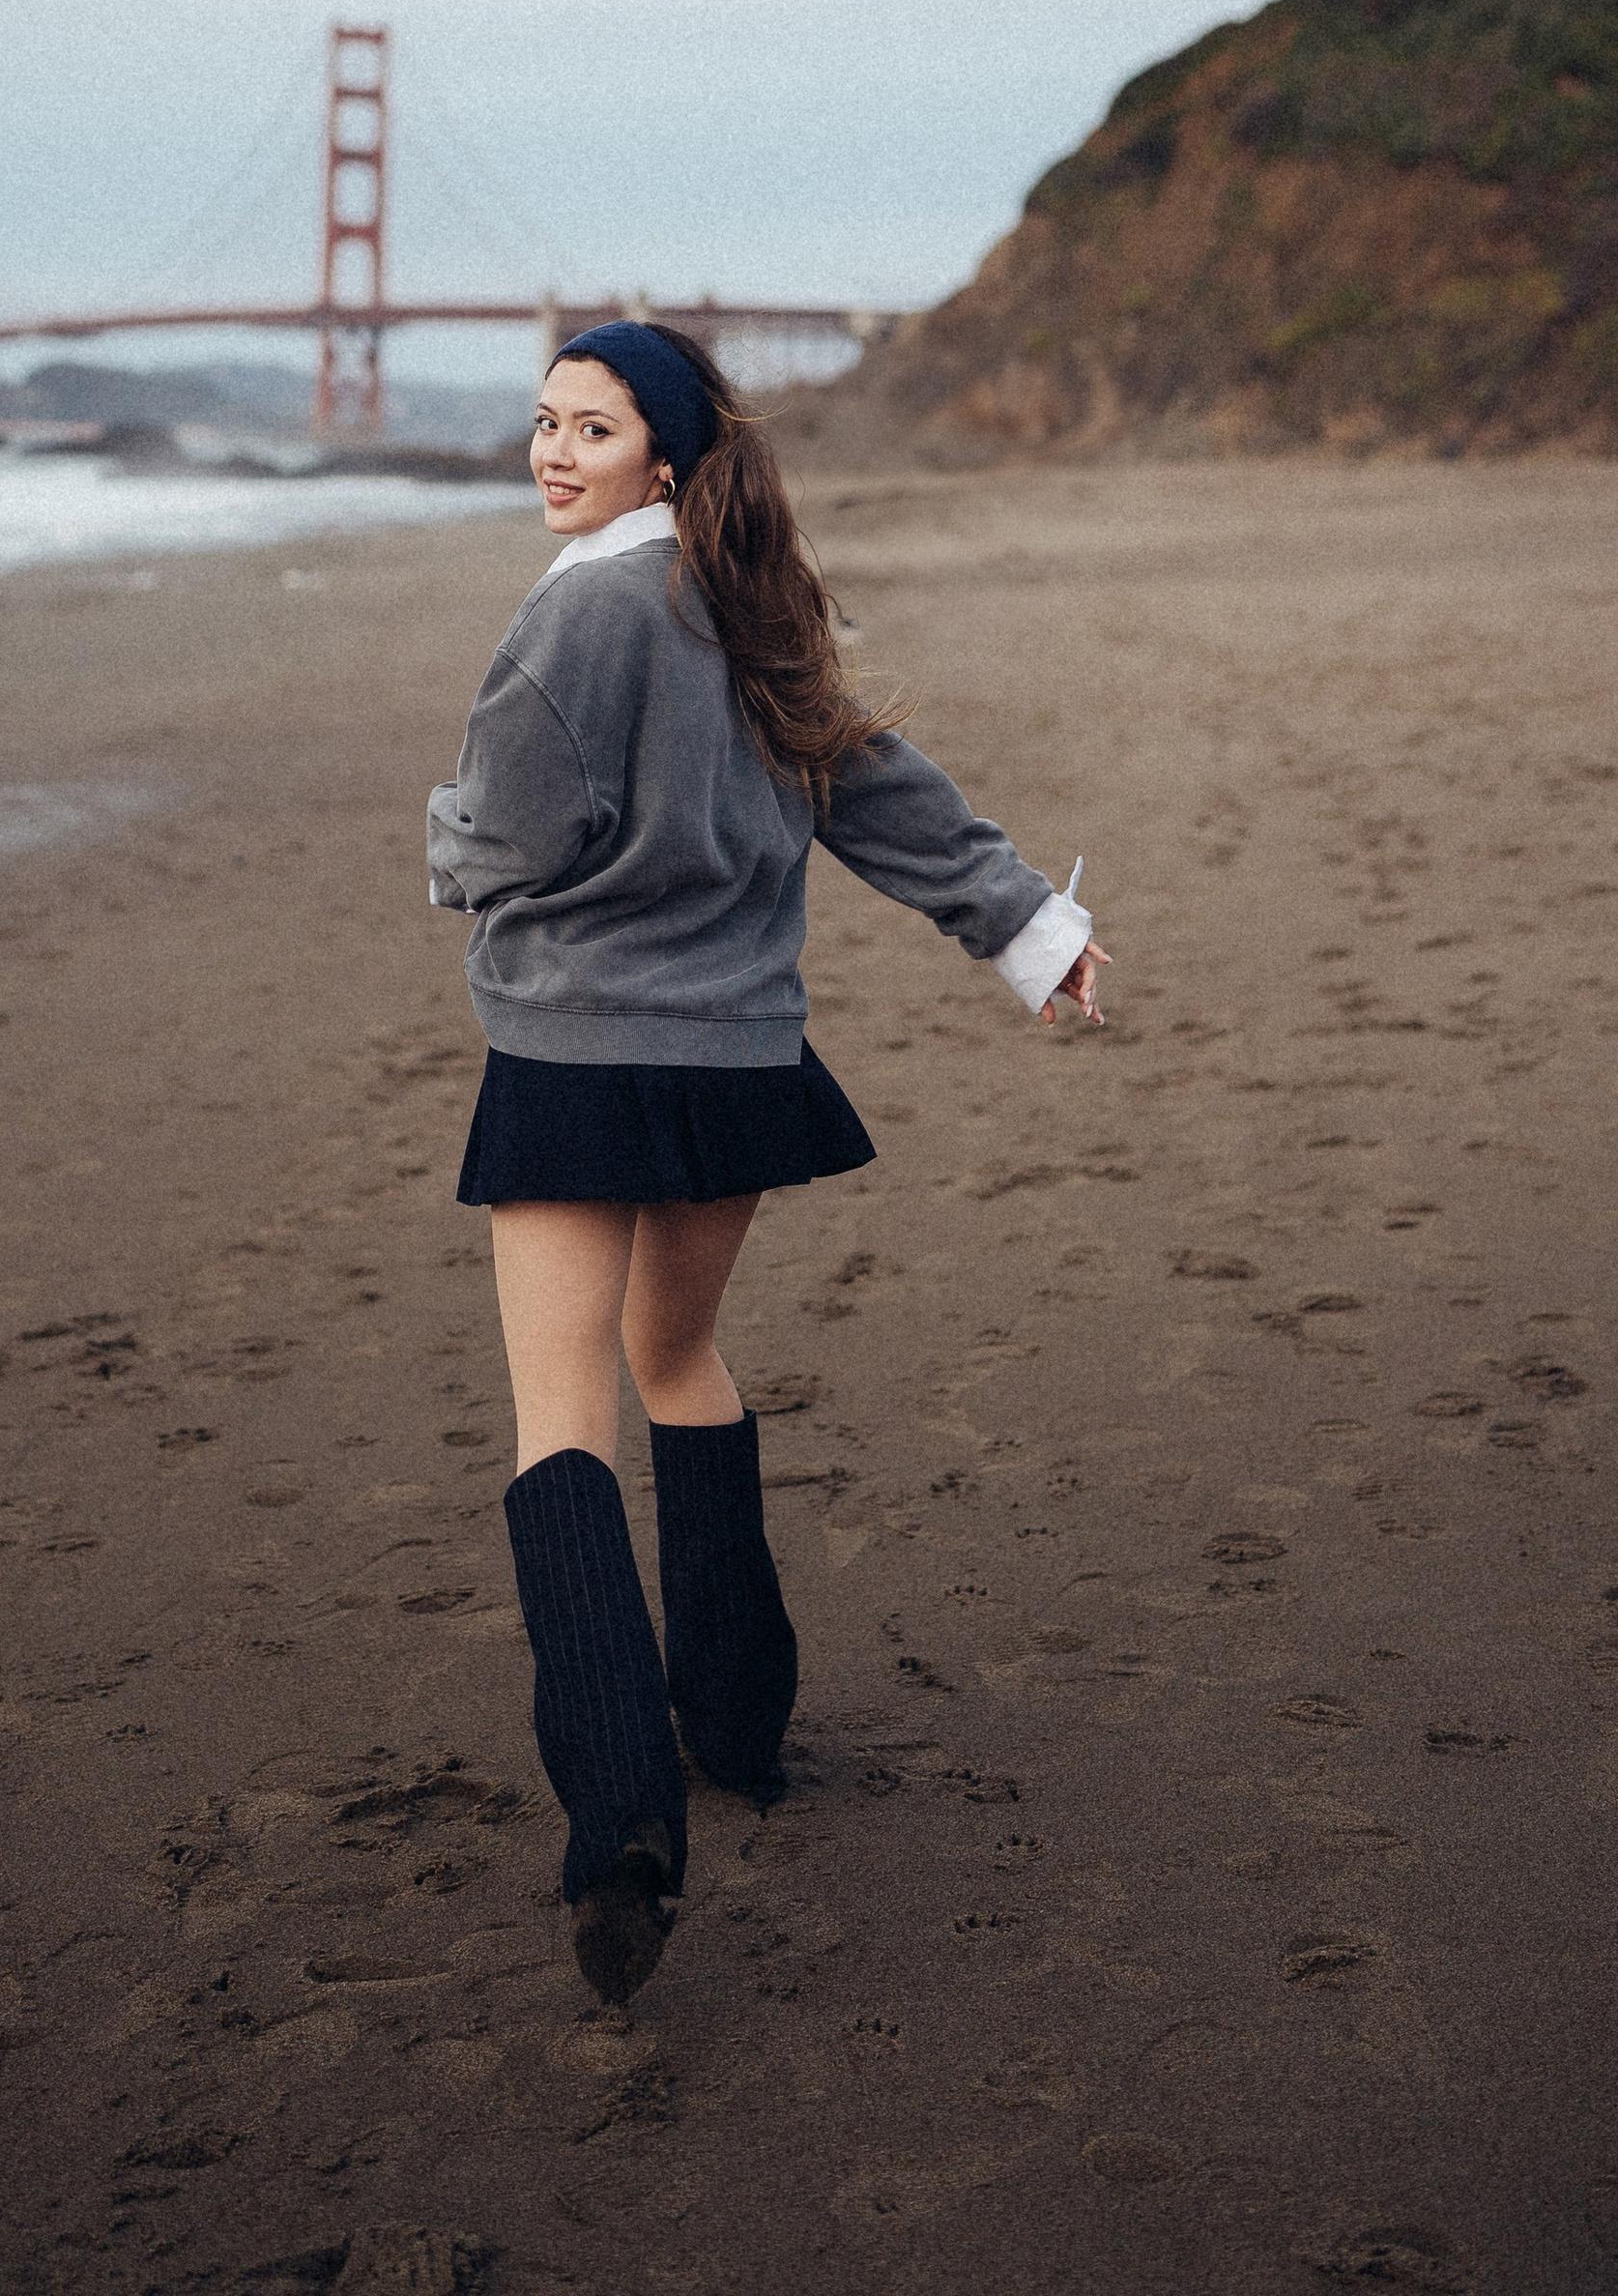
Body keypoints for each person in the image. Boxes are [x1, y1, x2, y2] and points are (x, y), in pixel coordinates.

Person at [427, 320, 1109, 2001]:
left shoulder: (573, 613)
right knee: (680, 1357)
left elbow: (507, 829)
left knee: (561, 1415)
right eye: (543, 423)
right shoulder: (751, 601)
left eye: (591, 428)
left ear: (662, 455)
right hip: (733, 1057)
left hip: (576, 1061)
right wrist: (1027, 928)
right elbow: (869, 783)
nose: (553, 452)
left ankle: (622, 1824)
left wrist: (450, 854)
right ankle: (737, 1723)